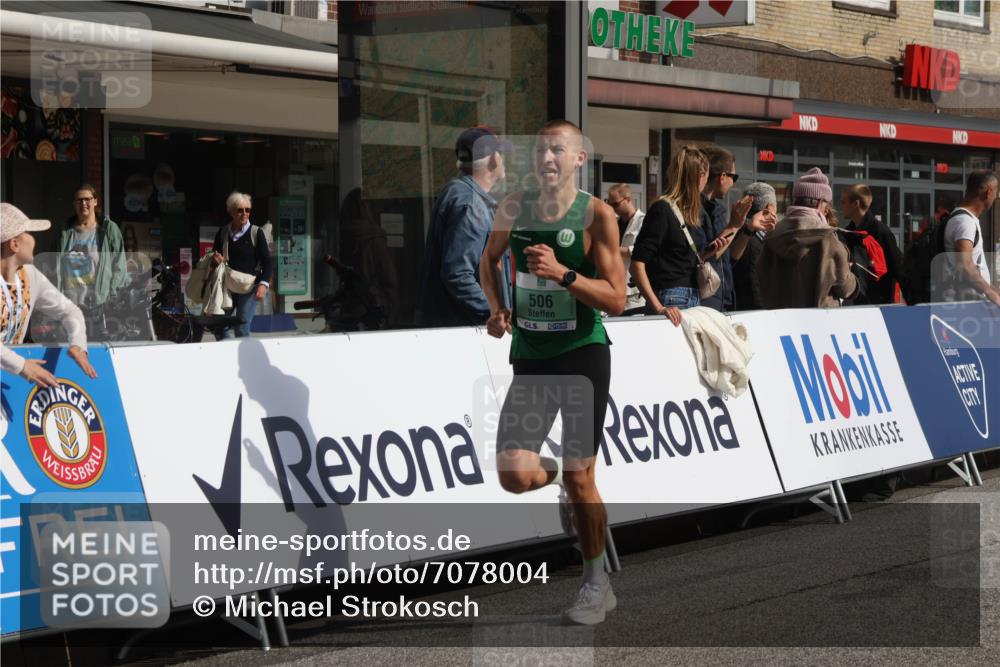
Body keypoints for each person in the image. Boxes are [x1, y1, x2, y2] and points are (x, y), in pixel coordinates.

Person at [480, 119, 626, 625]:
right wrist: (497, 307)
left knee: (584, 477)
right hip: (532, 355)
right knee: (514, 474)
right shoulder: (514, 207)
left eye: (558, 151)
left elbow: (618, 299)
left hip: (583, 353)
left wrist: (563, 274)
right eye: (541, 150)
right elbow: (488, 259)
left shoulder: (598, 215)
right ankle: (564, 480)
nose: (547, 159)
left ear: (579, 159)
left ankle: (594, 581)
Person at [416, 126, 511, 326]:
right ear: (494, 159)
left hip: (452, 328)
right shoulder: (470, 203)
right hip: (460, 333)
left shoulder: (460, 194)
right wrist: (496, 312)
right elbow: (457, 274)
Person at [631, 146, 731, 327]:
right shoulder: (663, 209)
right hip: (671, 298)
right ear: (701, 176)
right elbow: (637, 264)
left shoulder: (690, 211)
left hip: (691, 296)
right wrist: (659, 307)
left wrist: (708, 251)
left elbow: (679, 260)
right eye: (706, 175)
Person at [1, 203, 97, 387]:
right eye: (29, 233)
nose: (34, 239)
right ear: (14, 244)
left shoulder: (29, 275)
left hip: (7, 380)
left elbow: (70, 311)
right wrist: (22, 366)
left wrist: (77, 344)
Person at [757, 167, 859, 309]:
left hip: (778, 323)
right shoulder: (828, 239)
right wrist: (850, 275)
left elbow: (761, 278)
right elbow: (846, 288)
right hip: (818, 325)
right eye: (826, 204)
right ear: (819, 203)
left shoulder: (773, 233)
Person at [57, 184, 128, 340]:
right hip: (69, 307)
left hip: (98, 308)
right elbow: (53, 265)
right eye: (79, 200)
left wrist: (111, 295)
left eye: (87, 199)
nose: (83, 204)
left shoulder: (108, 229)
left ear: (96, 201)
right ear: (74, 203)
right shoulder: (64, 231)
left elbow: (120, 266)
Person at [210, 192, 273, 338]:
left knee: (242, 329)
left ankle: (245, 358)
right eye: (240, 210)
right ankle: (229, 353)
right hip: (227, 286)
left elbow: (267, 262)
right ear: (231, 211)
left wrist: (263, 284)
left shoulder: (256, 233)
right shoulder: (223, 232)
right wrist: (215, 259)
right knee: (218, 325)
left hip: (249, 287)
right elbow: (213, 257)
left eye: (248, 210)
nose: (244, 213)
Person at [700, 146, 751, 312]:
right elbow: (704, 256)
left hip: (723, 300)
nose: (733, 183)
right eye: (734, 177)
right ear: (722, 177)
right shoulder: (694, 210)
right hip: (704, 303)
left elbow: (729, 258)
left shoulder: (718, 210)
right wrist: (734, 225)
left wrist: (748, 229)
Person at [942, 169, 1000, 306]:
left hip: (968, 302)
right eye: (996, 194)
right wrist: (991, 294)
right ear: (989, 192)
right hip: (964, 306)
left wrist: (993, 290)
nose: (995, 199)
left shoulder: (963, 218)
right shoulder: (965, 222)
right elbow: (965, 265)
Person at [840, 184, 903, 305]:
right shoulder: (848, 233)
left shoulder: (880, 232)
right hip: (856, 303)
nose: (841, 206)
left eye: (844, 202)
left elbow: (898, 269)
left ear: (856, 204)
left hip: (879, 305)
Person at [730, 182, 778, 311]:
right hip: (754, 312)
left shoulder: (737, 232)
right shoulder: (754, 239)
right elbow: (753, 281)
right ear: (769, 208)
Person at [606, 183, 645, 314]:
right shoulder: (613, 223)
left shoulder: (643, 221)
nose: (612, 208)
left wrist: (616, 250)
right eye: (609, 204)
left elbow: (646, 250)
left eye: (615, 204)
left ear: (628, 200)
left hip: (634, 290)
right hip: (614, 286)